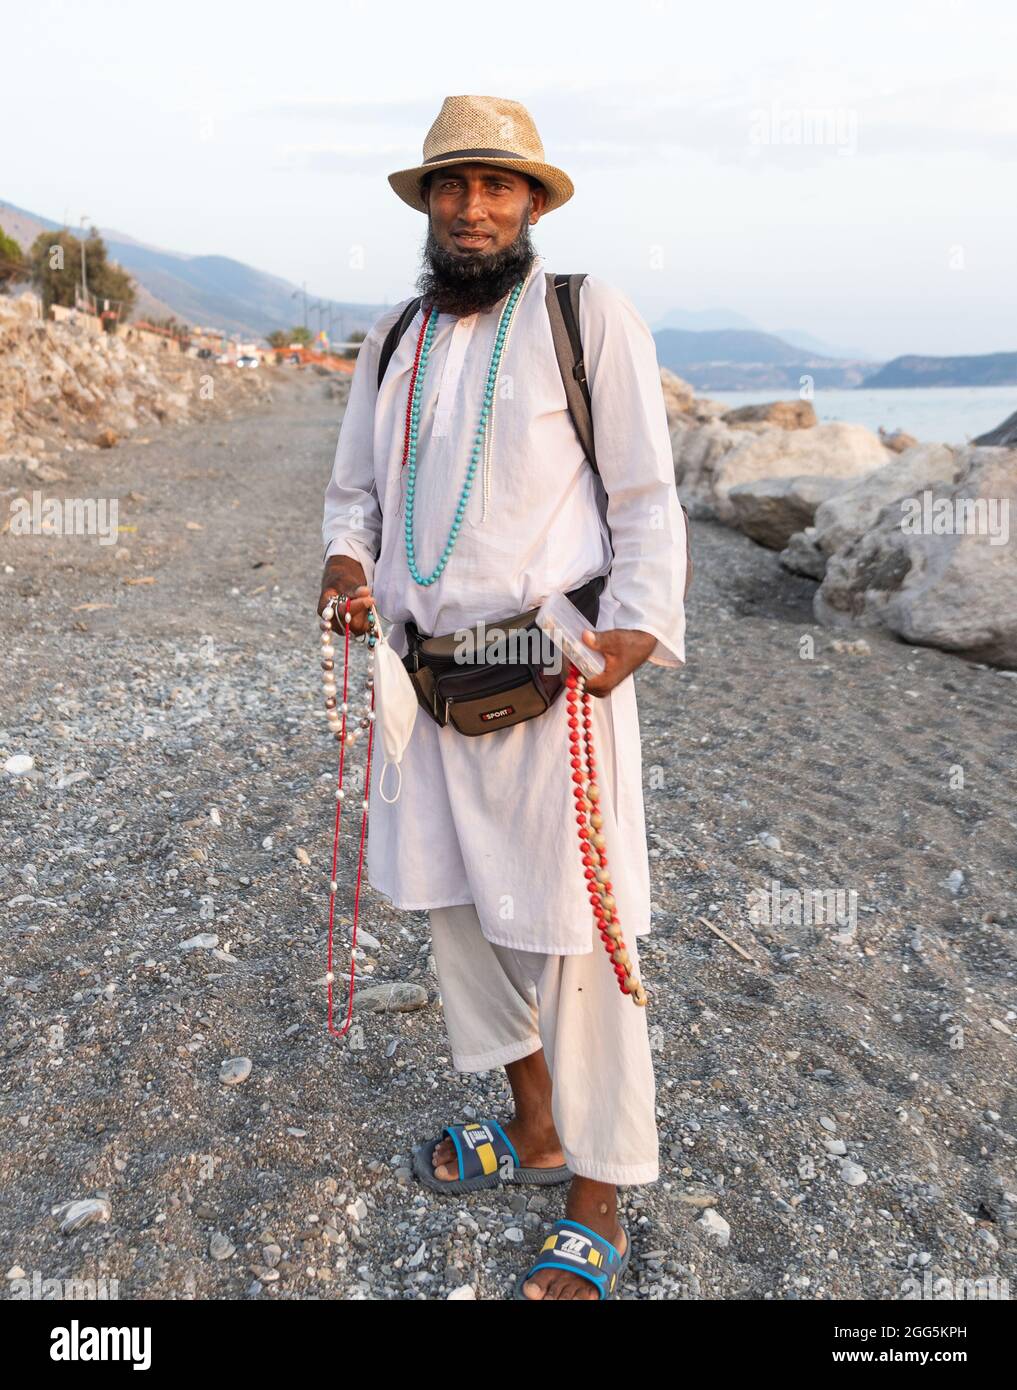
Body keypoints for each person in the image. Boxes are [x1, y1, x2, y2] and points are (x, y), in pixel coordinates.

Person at [319, 94, 688, 1300]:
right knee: (463, 921)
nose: (473, 207)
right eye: (451, 186)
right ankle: (533, 1129)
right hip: (425, 686)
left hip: (552, 677)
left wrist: (634, 628)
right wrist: (345, 565)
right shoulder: (394, 337)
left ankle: (601, 1193)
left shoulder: (586, 315)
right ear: (427, 203)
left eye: (497, 186)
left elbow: (644, 496)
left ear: (532, 201)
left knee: (578, 939)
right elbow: (353, 497)